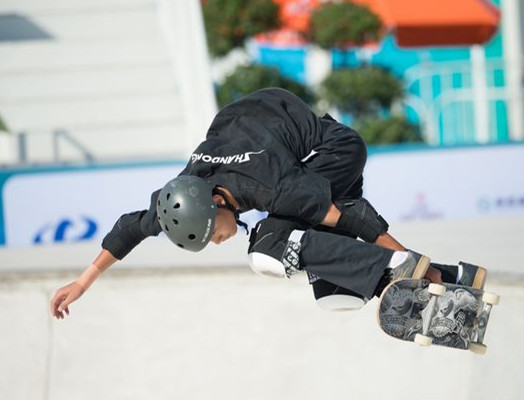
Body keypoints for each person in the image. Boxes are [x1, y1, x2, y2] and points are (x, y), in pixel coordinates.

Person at [51, 88, 483, 319]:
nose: (218, 242)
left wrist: (408, 263)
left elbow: (348, 217)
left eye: (213, 234)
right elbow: (129, 227)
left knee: (267, 248)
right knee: (335, 294)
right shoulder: (179, 197)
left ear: (219, 204)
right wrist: (83, 282)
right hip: (274, 133)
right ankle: (455, 275)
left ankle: (408, 269)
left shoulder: (271, 185)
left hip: (334, 151)